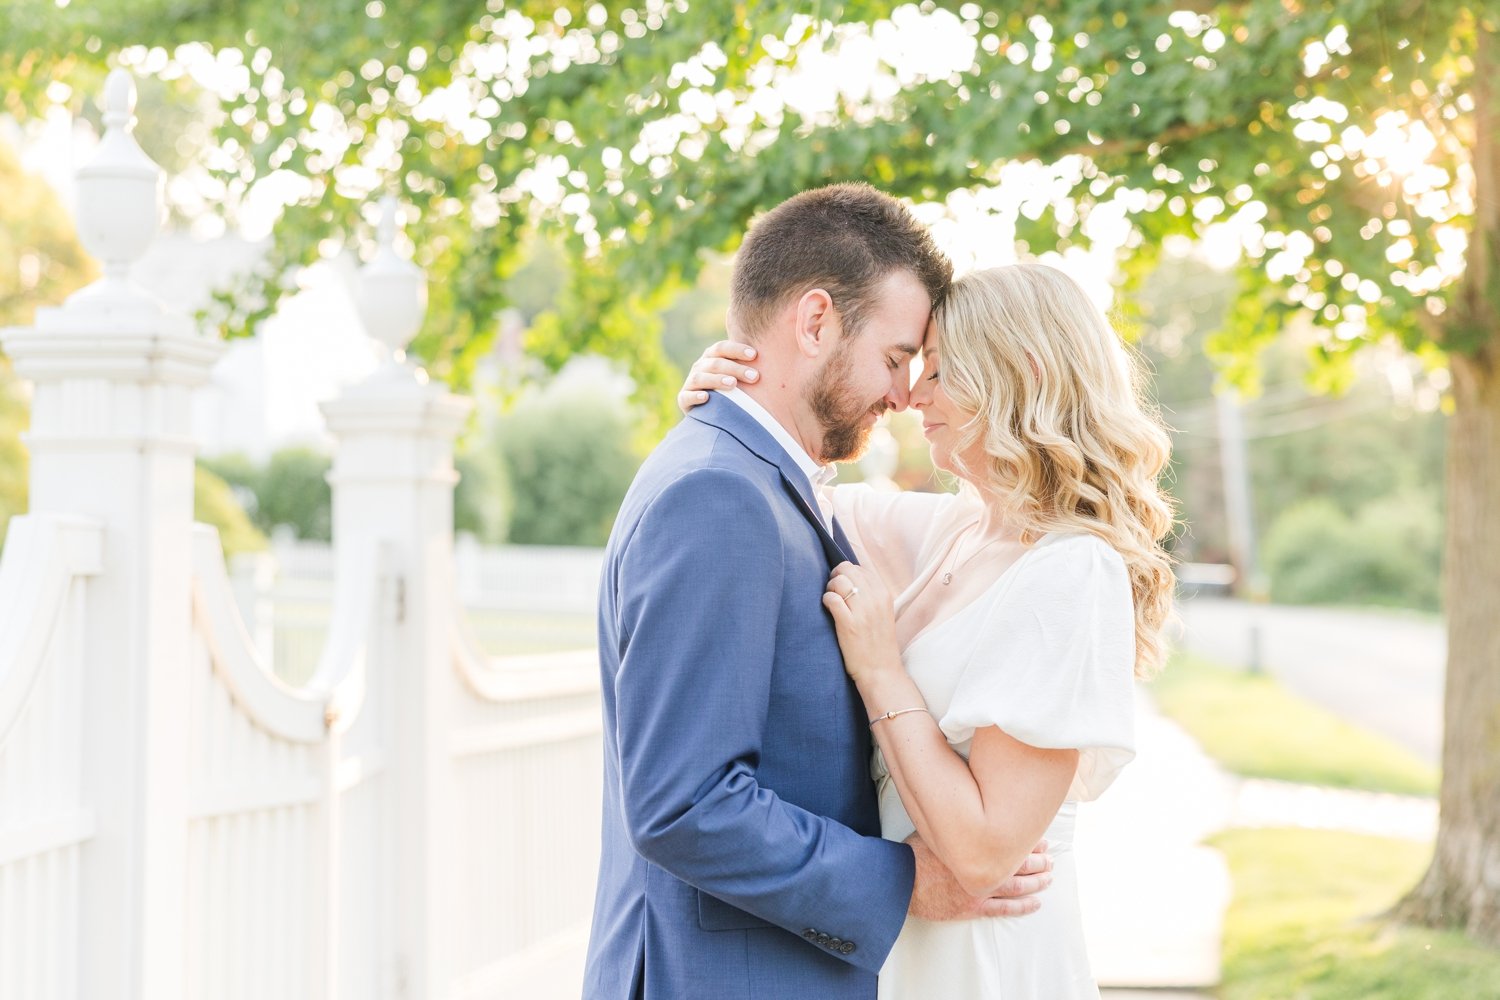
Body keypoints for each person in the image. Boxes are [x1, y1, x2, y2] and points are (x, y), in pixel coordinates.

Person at [583, 185, 1053, 1000]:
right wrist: (903, 882)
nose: (906, 392)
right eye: (897, 356)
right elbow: (683, 803)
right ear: (813, 322)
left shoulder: (756, 482)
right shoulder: (720, 496)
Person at [679, 261, 1176, 998]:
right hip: (907, 950)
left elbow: (981, 853)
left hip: (985, 961)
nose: (912, 396)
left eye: (939, 372)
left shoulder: (1072, 572)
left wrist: (881, 669)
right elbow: (783, 493)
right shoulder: (959, 529)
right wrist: (722, 405)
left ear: (1023, 374)